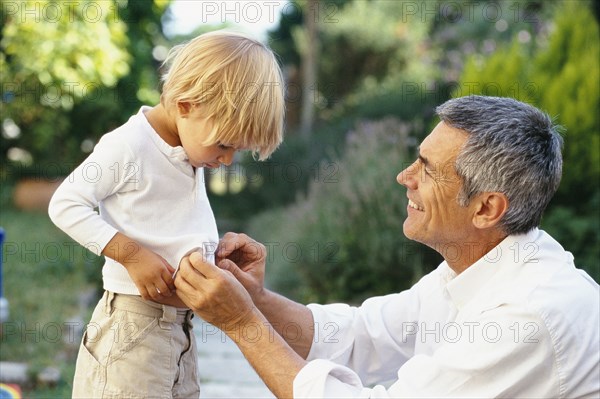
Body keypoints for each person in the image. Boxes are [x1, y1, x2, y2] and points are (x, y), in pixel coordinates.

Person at [174, 95, 600, 398]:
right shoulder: (474, 267)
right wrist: (257, 299)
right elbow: (360, 337)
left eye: (427, 170)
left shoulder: (527, 316)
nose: (404, 176)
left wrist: (242, 323)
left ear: (487, 208)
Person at [48, 30, 284, 398]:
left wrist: (211, 257)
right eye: (223, 145)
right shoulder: (129, 146)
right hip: (133, 328)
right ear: (187, 105)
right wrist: (132, 254)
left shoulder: (185, 148)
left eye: (236, 150)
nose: (226, 160)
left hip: (180, 331)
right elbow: (65, 204)